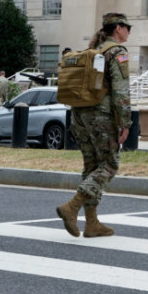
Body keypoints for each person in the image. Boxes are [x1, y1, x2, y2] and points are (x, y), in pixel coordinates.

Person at [56, 12, 132, 238]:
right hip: (101, 115)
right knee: (110, 163)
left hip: (79, 115)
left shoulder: (94, 51)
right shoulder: (117, 52)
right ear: (118, 28)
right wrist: (125, 122)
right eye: (127, 27)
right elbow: (121, 90)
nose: (128, 31)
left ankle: (91, 223)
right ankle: (72, 206)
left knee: (91, 166)